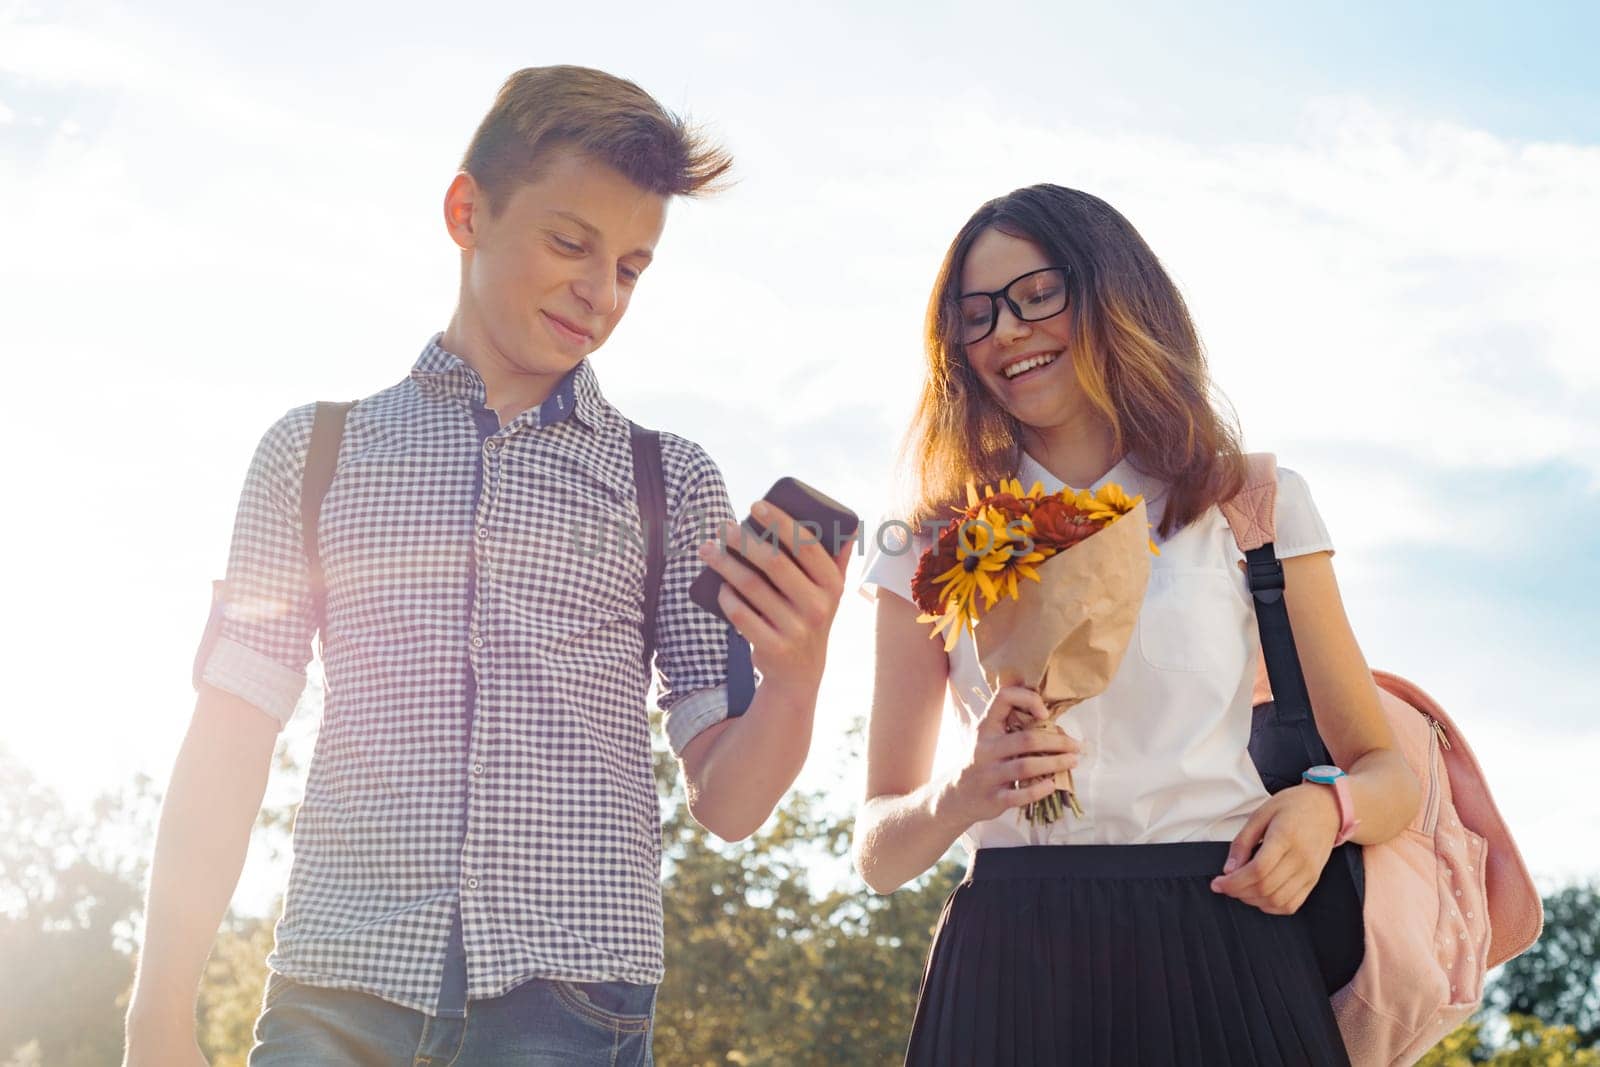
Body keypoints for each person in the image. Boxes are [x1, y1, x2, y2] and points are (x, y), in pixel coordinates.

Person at [123, 65, 850, 1067]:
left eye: (632, 267)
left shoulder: (669, 480)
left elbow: (728, 801)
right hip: (335, 997)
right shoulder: (312, 453)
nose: (599, 294)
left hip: (573, 1012)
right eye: (569, 244)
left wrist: (798, 679)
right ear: (467, 210)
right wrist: (156, 1017)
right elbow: (229, 733)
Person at [853, 184, 1421, 1066]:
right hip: (1009, 963)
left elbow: (1388, 774)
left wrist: (1322, 811)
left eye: (1038, 295)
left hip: (1226, 946)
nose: (1005, 330)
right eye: (975, 314)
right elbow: (878, 852)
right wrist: (963, 790)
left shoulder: (1252, 501)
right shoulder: (925, 538)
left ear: (1114, 293)